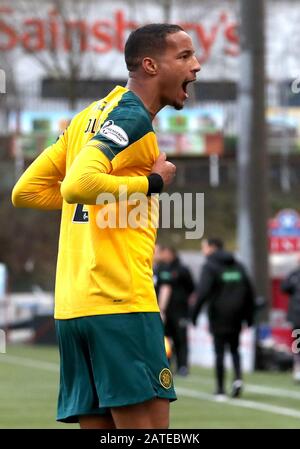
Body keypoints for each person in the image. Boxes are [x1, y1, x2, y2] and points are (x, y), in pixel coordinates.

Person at [11, 24, 200, 429]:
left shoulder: (86, 118)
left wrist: (103, 193)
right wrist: (152, 183)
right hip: (120, 302)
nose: (196, 66)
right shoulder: (131, 116)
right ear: (150, 65)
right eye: (184, 56)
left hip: (74, 309)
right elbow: (80, 184)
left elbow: (26, 191)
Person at [191, 238, 255, 399]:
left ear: (212, 248)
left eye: (204, 247)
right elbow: (249, 292)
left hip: (218, 315)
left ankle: (220, 388)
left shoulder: (210, 266)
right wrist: (249, 317)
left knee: (219, 351)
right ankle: (238, 379)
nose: (203, 251)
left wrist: (194, 314)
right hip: (237, 315)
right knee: (235, 349)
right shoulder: (238, 265)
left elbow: (202, 292)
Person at [157, 247, 195, 376]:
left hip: (179, 311)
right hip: (164, 312)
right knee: (164, 339)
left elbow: (191, 288)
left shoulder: (182, 270)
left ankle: (183, 366)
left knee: (181, 339)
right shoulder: (159, 269)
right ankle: (167, 365)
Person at [281, 260, 300, 382]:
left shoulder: (294, 274)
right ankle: (298, 369)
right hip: (297, 314)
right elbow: (284, 288)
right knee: (297, 343)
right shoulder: (294, 274)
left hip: (296, 314)